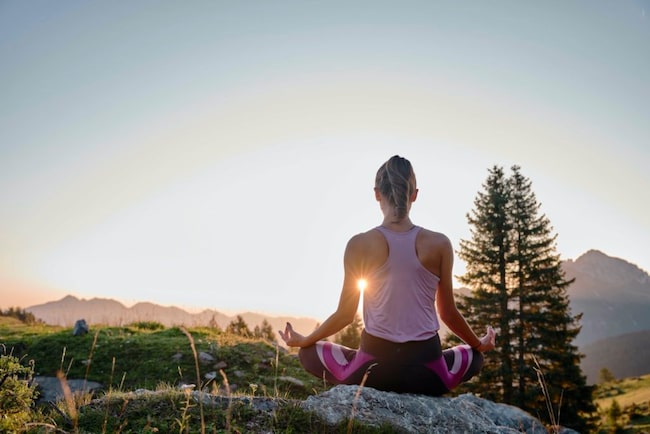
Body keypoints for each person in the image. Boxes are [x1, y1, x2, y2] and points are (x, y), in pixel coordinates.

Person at [279, 155, 496, 396]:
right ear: (414, 194)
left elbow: (344, 315)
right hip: (427, 373)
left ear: (377, 194)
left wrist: (305, 339)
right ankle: (443, 365)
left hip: (373, 371)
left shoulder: (358, 244)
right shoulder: (439, 243)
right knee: (473, 356)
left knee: (308, 352)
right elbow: (448, 313)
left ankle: (358, 365)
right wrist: (478, 343)